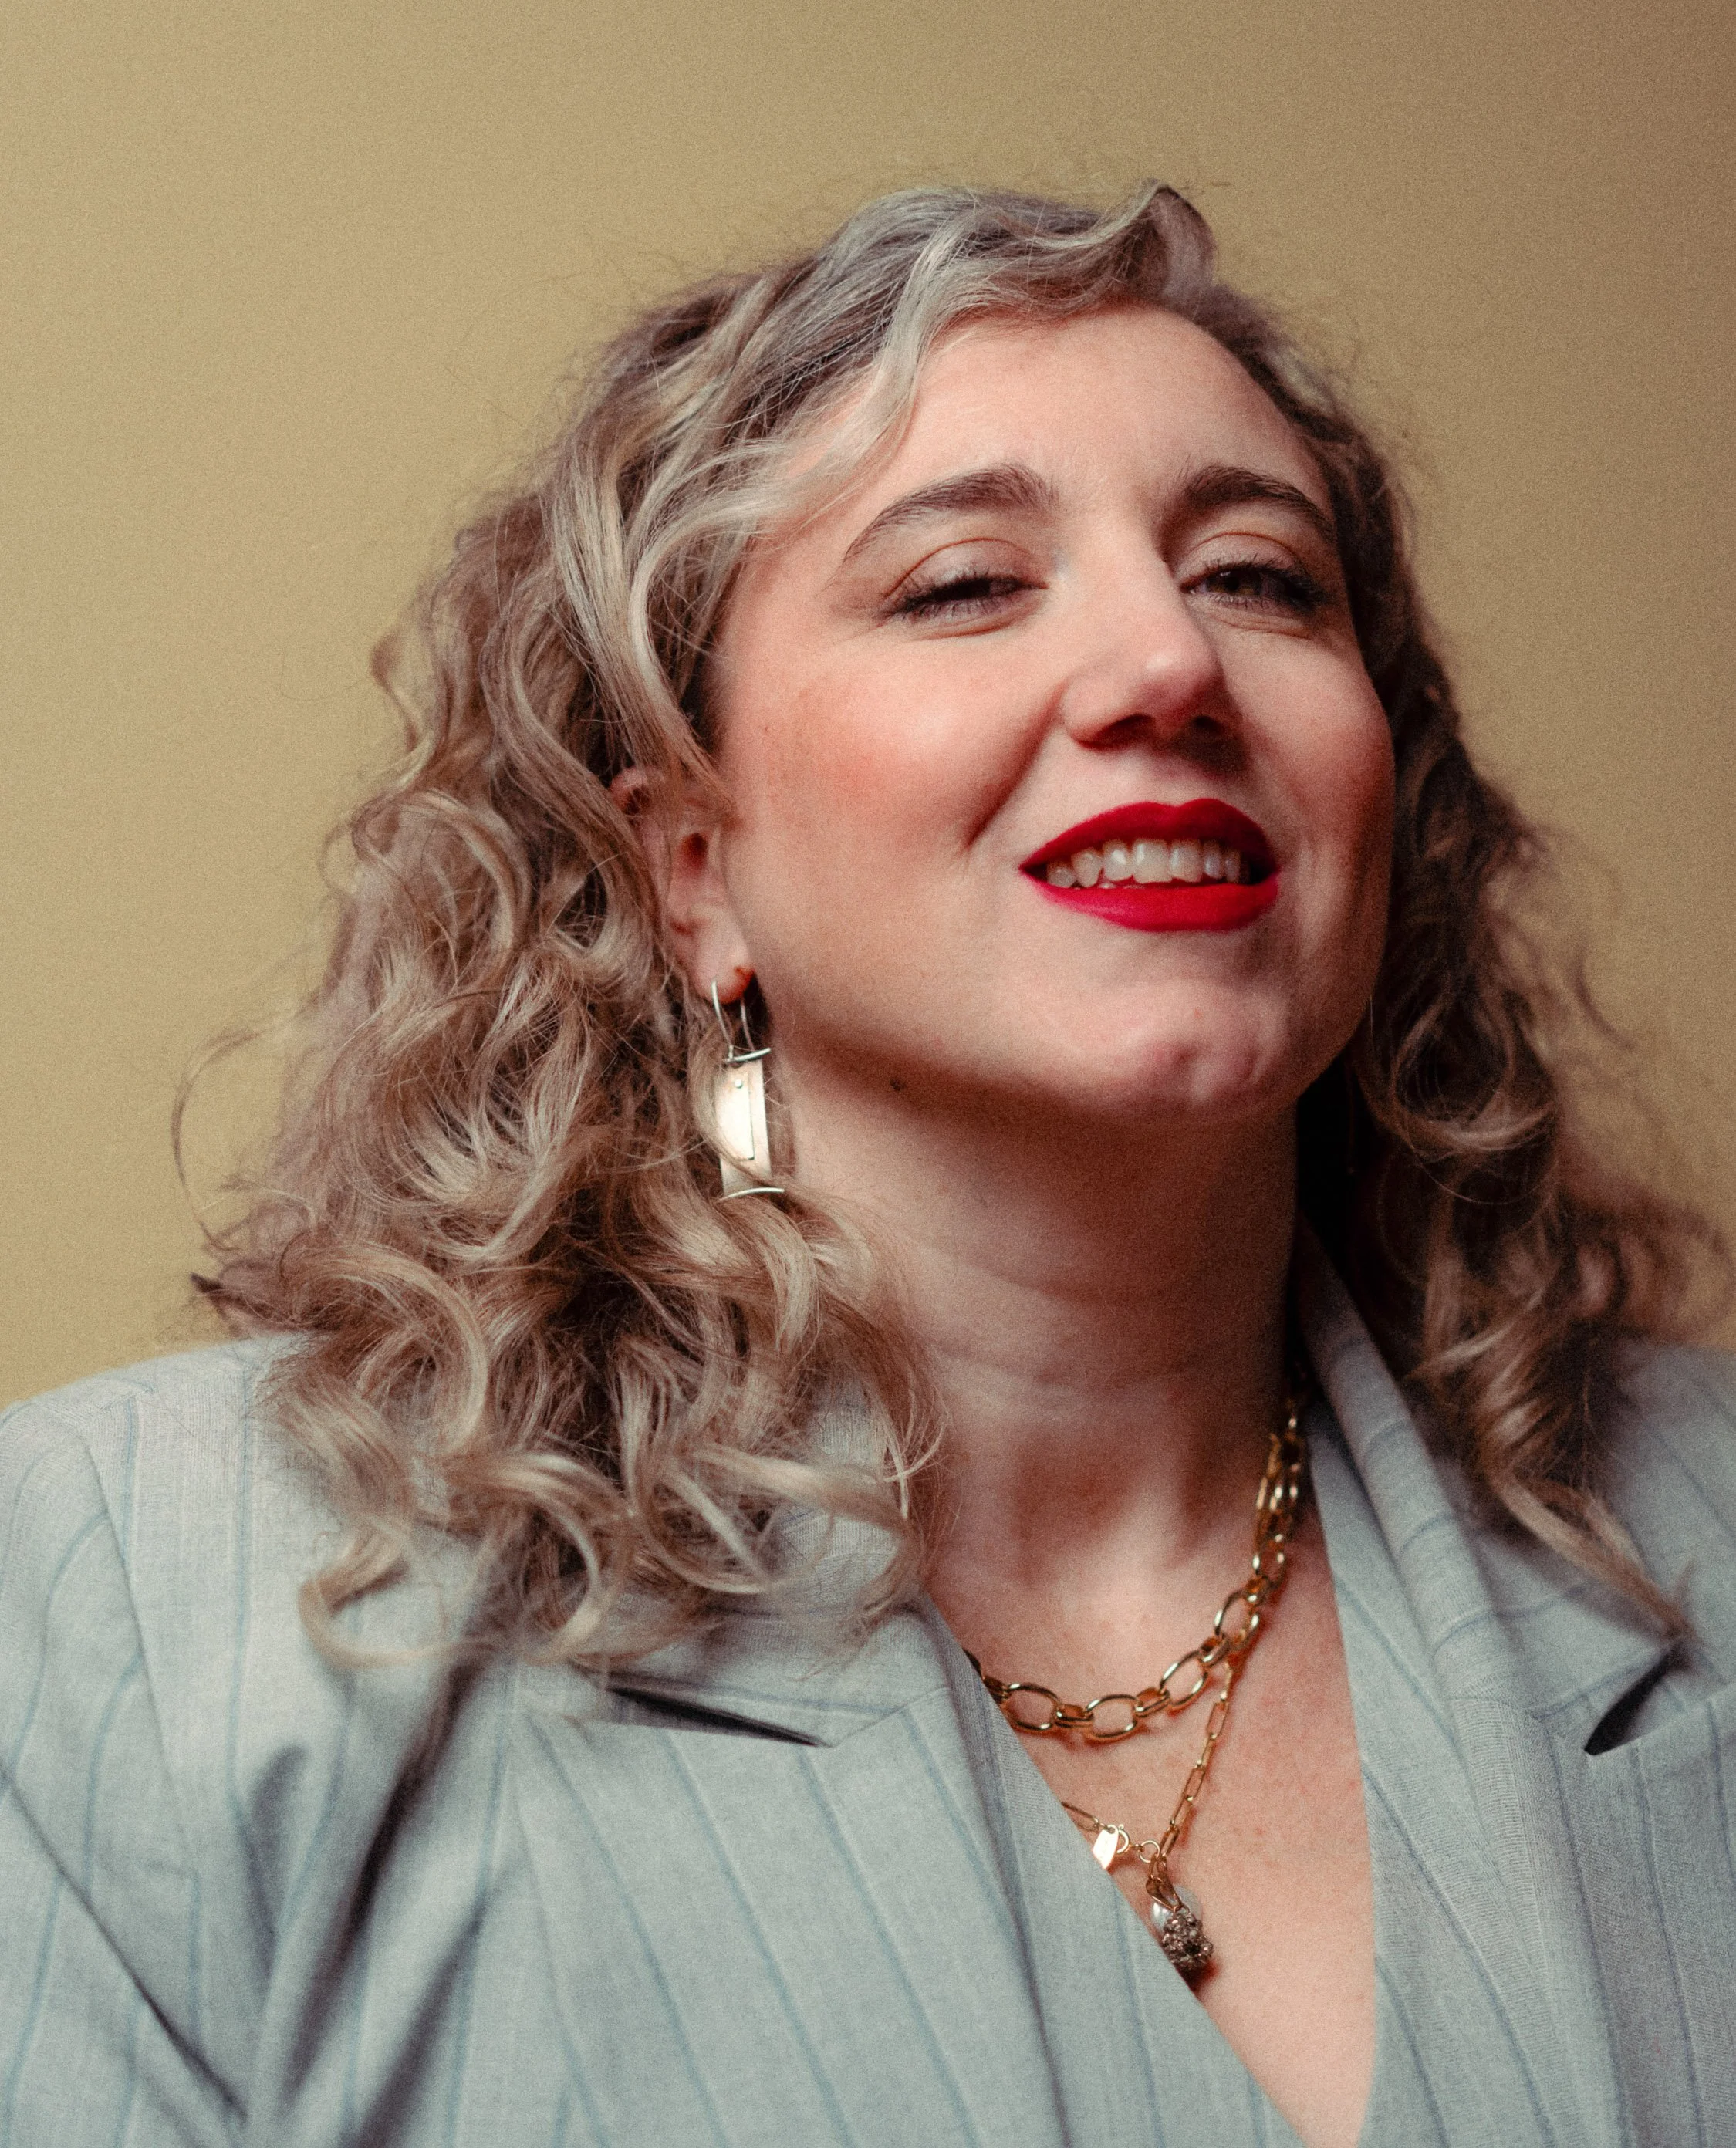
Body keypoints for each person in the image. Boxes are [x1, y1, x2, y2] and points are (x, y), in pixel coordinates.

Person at [3, 186, 1734, 2148]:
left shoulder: (1709, 1523)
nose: (1167, 661)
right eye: (966, 585)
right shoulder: (119, 1612)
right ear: (693, 868)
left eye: (1261, 577)